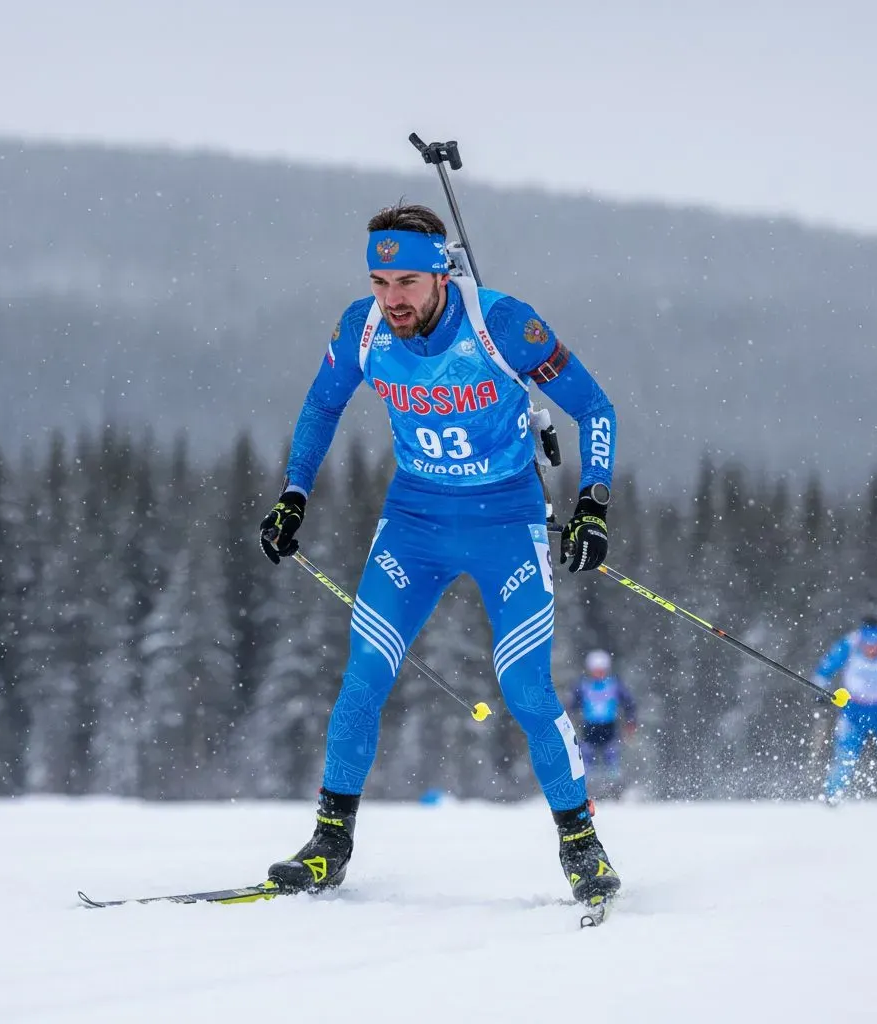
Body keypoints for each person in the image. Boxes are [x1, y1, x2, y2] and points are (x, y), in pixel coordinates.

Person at [258, 202, 620, 905]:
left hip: (506, 523)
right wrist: (293, 494)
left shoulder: (503, 324)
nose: (391, 299)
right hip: (414, 523)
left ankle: (582, 846)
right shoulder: (362, 328)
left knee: (527, 690)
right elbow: (321, 406)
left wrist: (593, 505)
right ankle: (330, 844)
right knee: (363, 675)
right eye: (379, 281)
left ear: (441, 276)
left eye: (406, 283)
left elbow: (595, 409)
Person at [814, 614, 877, 804]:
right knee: (845, 754)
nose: (871, 650)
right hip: (854, 710)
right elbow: (825, 668)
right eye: (867, 645)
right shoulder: (849, 644)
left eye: (876, 645)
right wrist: (820, 688)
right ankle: (832, 796)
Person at [568, 649, 637, 787]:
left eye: (601, 670)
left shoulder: (614, 685)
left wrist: (631, 721)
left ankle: (615, 787)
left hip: (609, 726)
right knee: (587, 756)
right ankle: (586, 786)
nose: (599, 673)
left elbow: (629, 703)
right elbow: (572, 705)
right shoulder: (583, 685)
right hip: (589, 727)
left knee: (611, 756)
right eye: (596, 670)